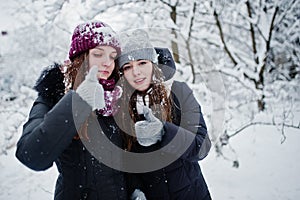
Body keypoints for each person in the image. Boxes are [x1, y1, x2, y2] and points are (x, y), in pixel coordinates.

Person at [15, 21, 128, 200]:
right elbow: (32, 155)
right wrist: (78, 102)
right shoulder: (54, 95)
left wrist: (138, 190)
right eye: (98, 54)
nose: (108, 63)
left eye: (113, 56)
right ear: (80, 57)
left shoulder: (120, 96)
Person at [116, 29, 212, 200]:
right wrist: (135, 189)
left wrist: (164, 132)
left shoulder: (178, 93)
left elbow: (202, 147)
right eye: (128, 67)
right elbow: (124, 161)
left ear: (153, 63)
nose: (136, 72)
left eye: (142, 63)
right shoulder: (120, 108)